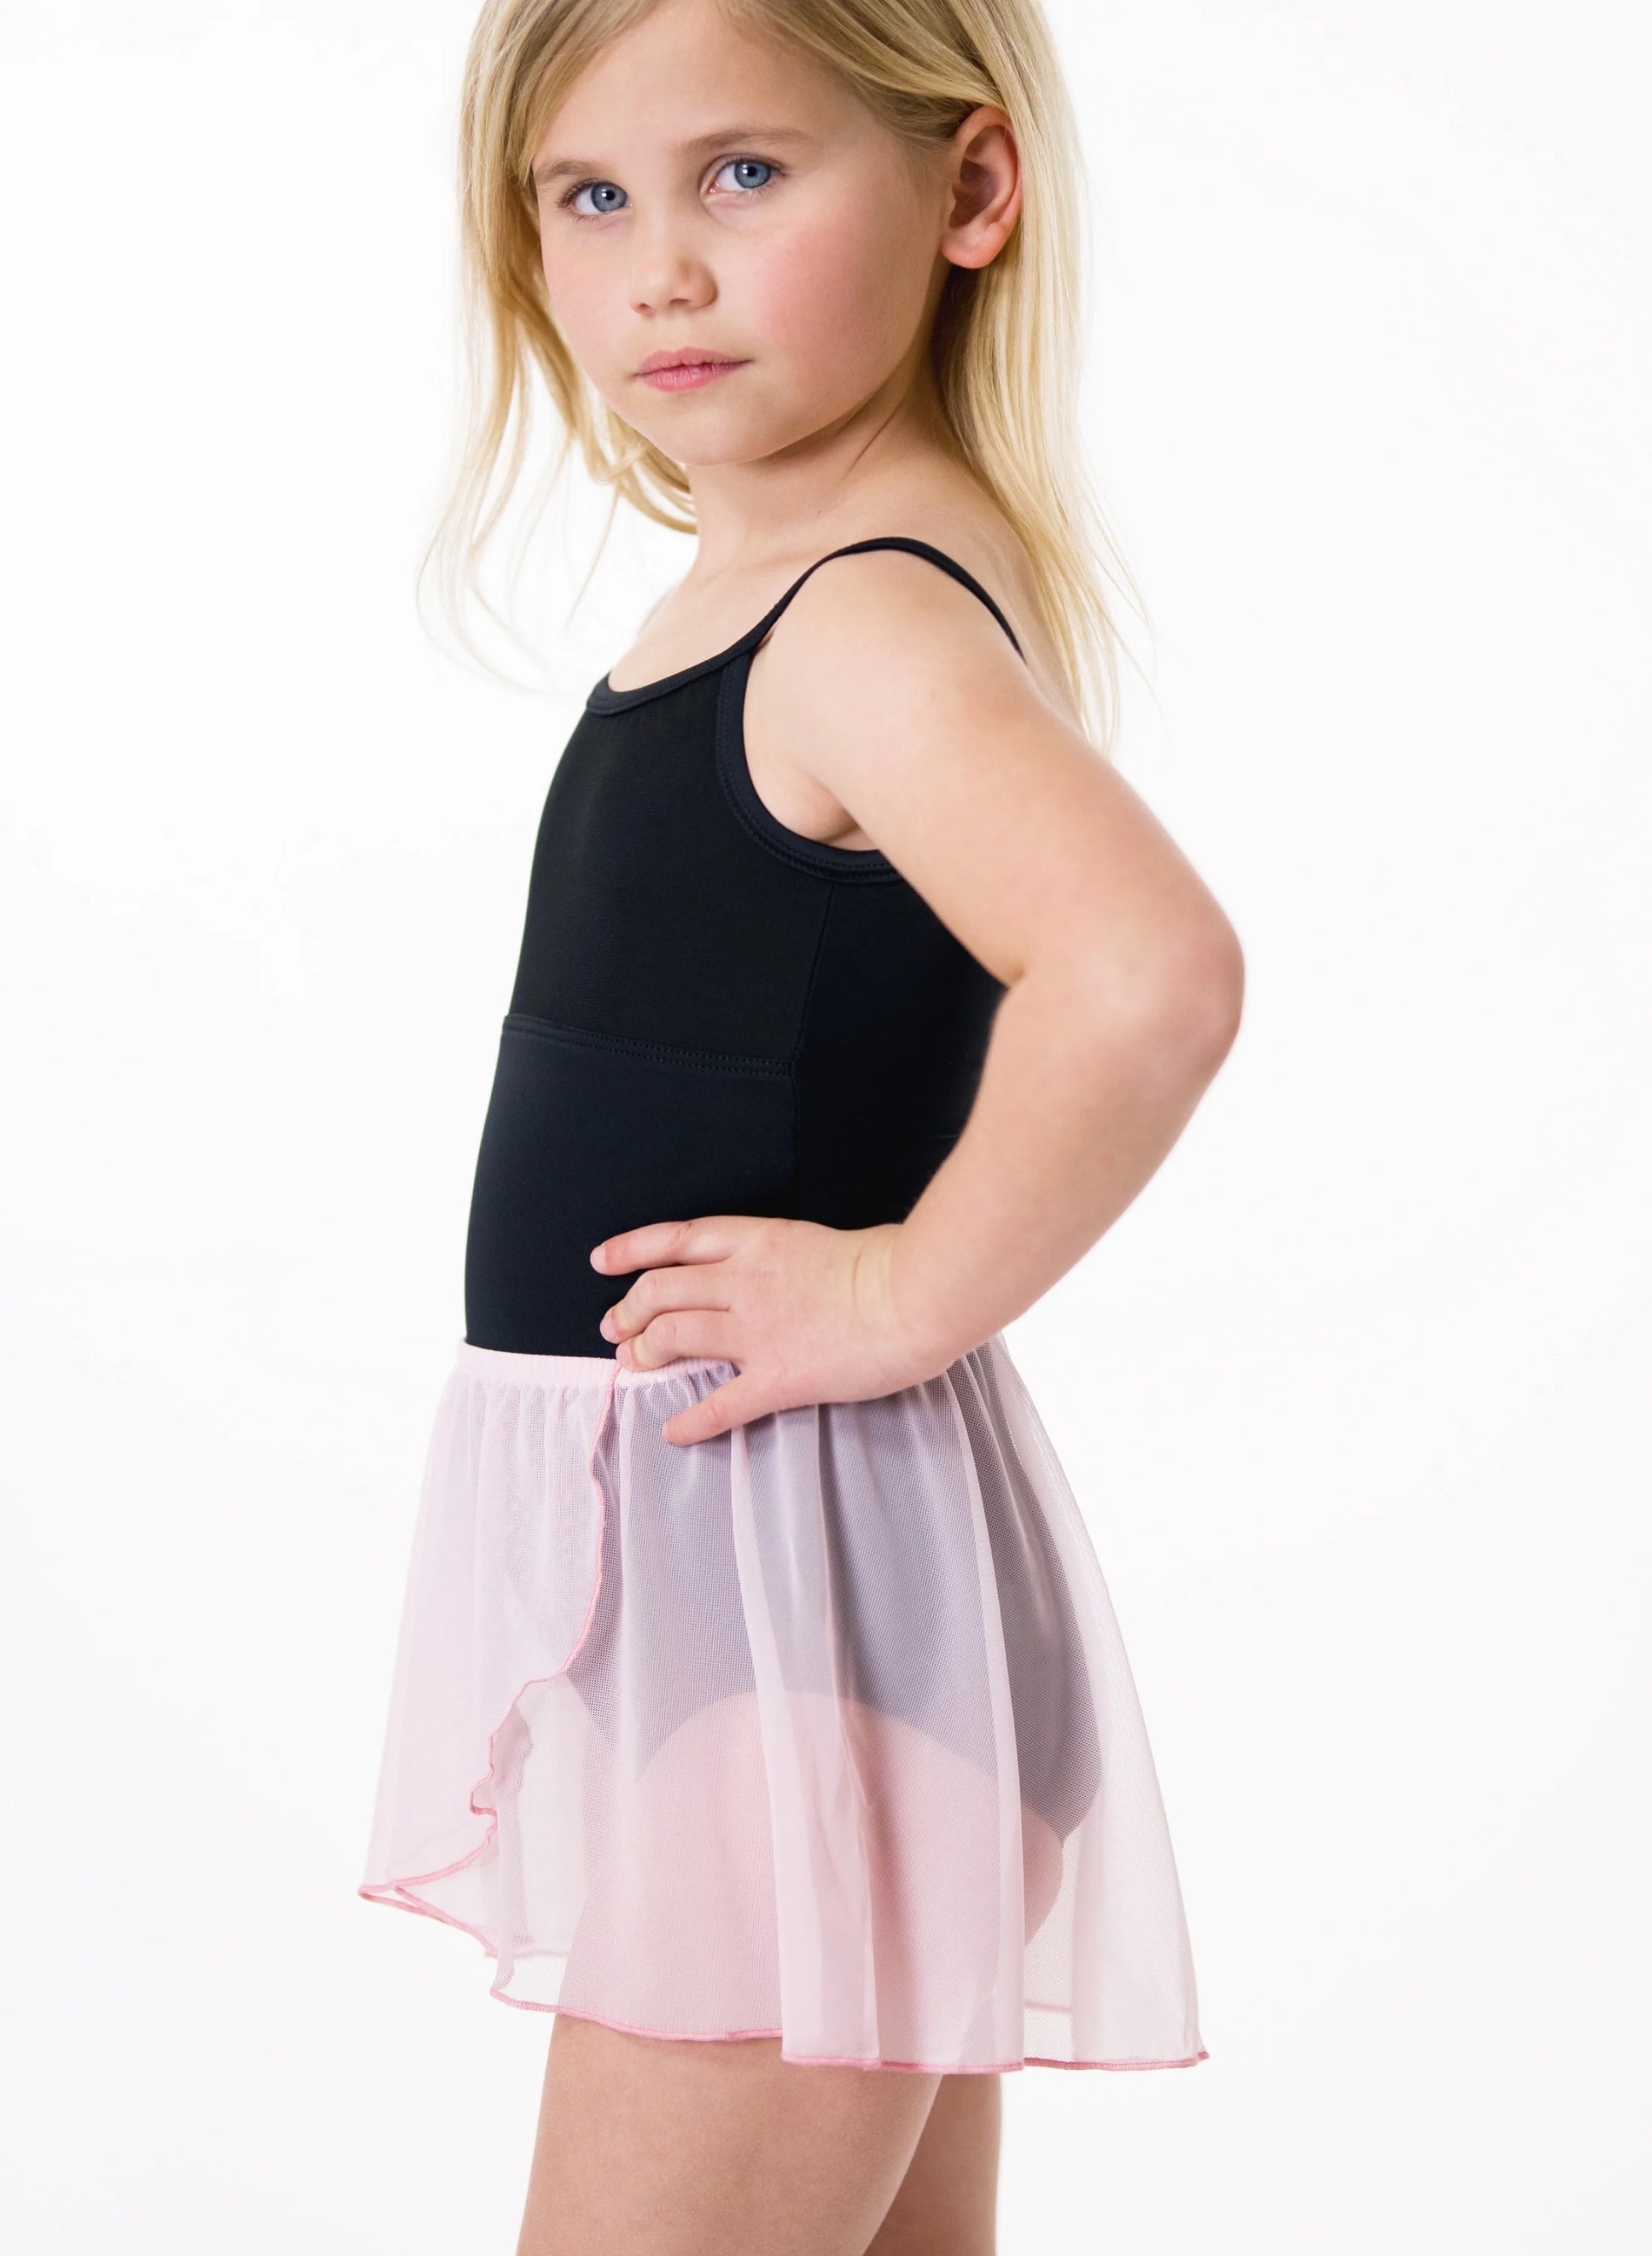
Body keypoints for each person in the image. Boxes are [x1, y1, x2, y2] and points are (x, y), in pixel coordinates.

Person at [358, 1, 1244, 2247]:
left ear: (970, 189)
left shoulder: (855, 625)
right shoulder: (778, 588)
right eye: (591, 195)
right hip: (801, 1644)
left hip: (796, 1670)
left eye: (742, 174)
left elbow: (1147, 973)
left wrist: (895, 1291)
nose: (660, 264)